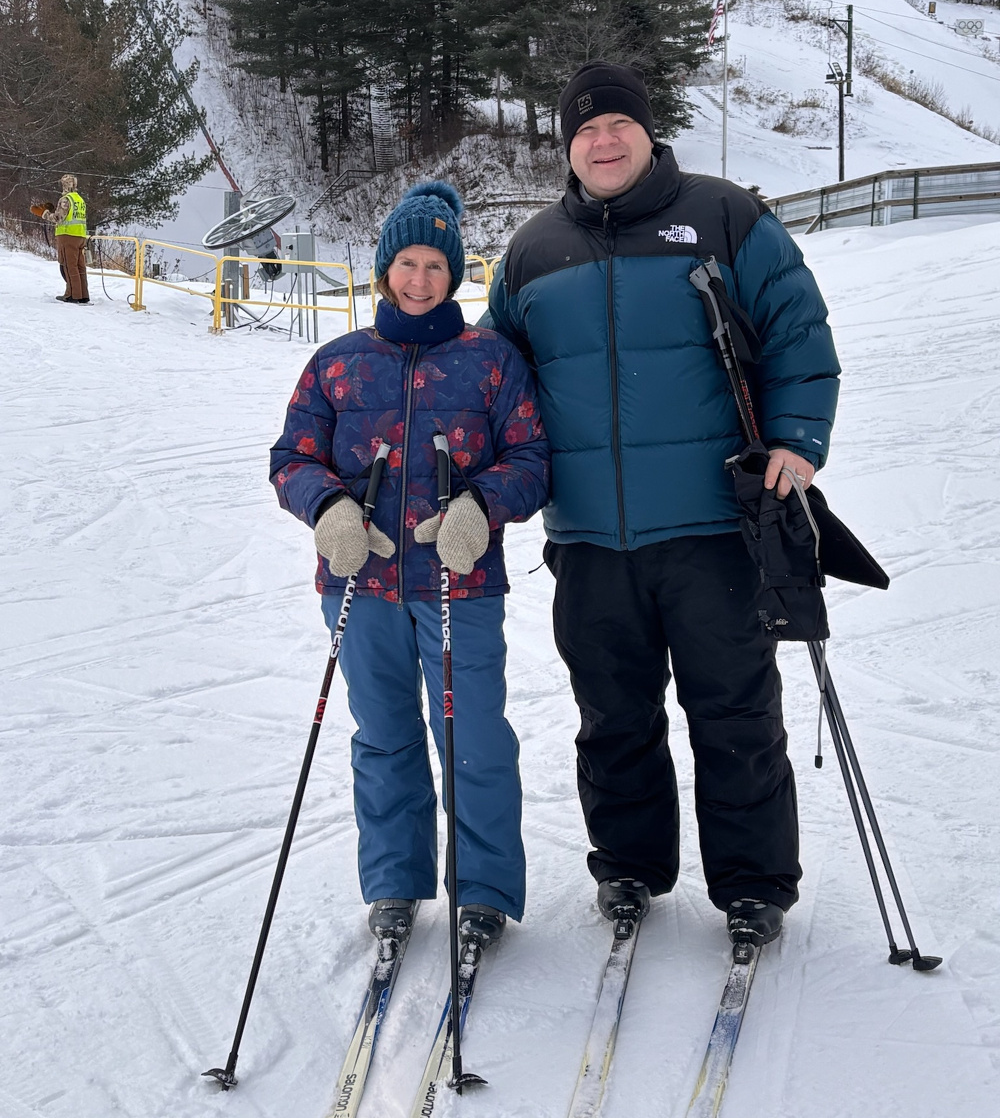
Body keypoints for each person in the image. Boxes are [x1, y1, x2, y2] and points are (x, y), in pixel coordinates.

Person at [484, 61, 840, 948]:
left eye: (618, 127)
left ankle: (755, 883)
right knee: (613, 714)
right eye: (584, 132)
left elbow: (799, 329)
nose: (603, 143)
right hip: (592, 539)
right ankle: (630, 868)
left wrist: (796, 440)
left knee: (735, 711)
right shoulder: (531, 251)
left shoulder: (726, 216)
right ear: (568, 146)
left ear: (647, 133)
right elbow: (493, 385)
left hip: (716, 526)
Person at [270, 182, 549, 948]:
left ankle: (485, 888)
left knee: (475, 737)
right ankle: (394, 882)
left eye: (434, 264)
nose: (419, 278)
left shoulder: (490, 361)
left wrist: (479, 508)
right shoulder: (337, 364)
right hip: (360, 585)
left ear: (453, 274)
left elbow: (531, 458)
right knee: (385, 733)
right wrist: (328, 510)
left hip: (461, 584)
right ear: (385, 268)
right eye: (406, 262)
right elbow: (291, 458)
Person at [44, 174, 90, 304]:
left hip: (68, 236)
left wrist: (45, 214)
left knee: (69, 266)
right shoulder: (80, 199)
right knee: (80, 266)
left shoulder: (65, 199)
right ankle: (83, 295)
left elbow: (58, 218)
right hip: (80, 236)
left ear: (64, 185)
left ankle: (72, 295)